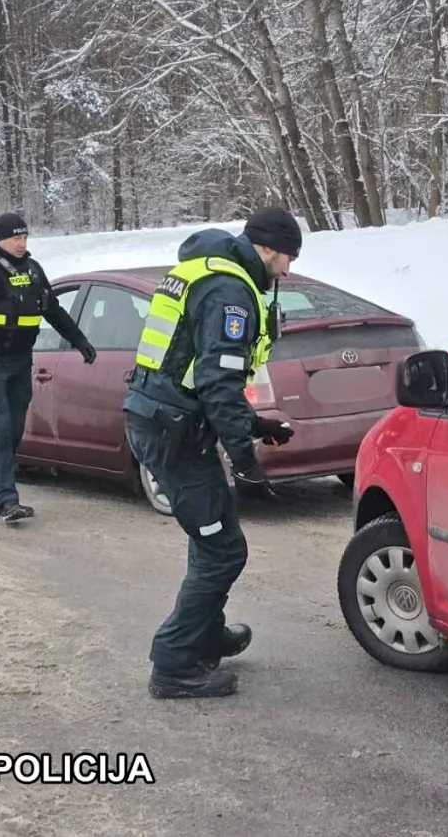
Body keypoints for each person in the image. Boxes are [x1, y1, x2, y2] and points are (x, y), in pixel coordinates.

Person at [123, 207, 303, 699]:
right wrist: (246, 464)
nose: (286, 271)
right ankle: (174, 662)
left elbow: (191, 372)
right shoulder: (231, 293)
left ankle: (206, 633)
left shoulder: (203, 271)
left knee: (212, 536)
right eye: (286, 258)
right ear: (267, 248)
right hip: (172, 432)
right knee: (224, 550)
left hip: (167, 419)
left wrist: (258, 424)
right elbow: (218, 385)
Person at [0, 213, 97, 523]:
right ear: (0, 239)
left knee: (14, 430)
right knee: (1, 430)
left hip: (21, 361)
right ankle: (8, 501)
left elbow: (53, 310)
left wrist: (79, 340)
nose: (21, 243)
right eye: (15, 238)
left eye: (25, 237)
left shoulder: (33, 270)